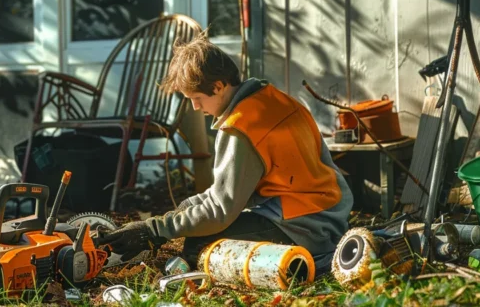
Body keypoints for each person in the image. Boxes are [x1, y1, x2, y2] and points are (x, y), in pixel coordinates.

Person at [99, 31, 353, 272]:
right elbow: (230, 193)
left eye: (196, 98)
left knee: (199, 244)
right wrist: (179, 214)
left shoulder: (240, 127)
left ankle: (297, 263)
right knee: (193, 219)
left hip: (304, 229)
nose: (196, 107)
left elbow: (220, 212)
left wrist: (153, 230)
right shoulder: (279, 100)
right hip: (330, 216)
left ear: (218, 86)